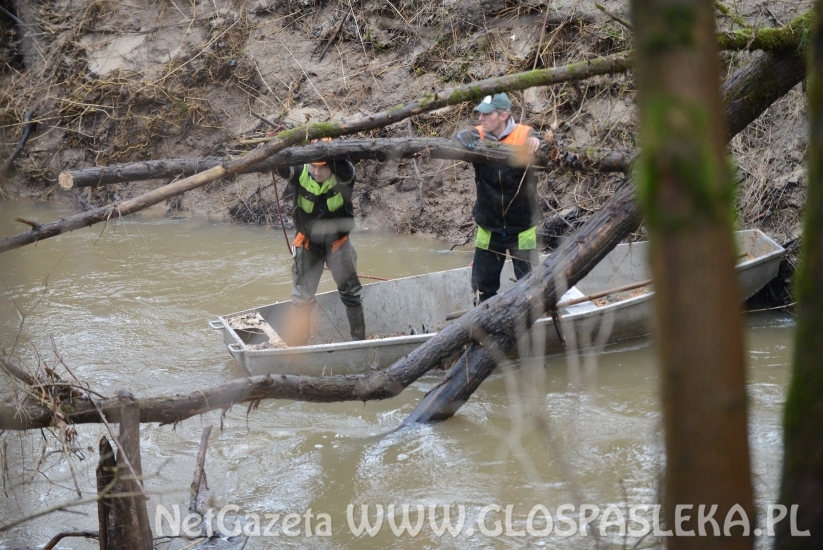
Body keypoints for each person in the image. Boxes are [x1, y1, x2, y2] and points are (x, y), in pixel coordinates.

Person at [455, 92, 544, 304]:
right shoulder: (477, 135)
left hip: (523, 227)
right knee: (483, 287)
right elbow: (449, 145)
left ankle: (529, 325)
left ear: (503, 115)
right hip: (489, 227)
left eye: (486, 114)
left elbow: (545, 146)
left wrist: (537, 142)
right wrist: (459, 138)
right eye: (480, 114)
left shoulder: (525, 134)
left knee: (530, 286)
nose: (481, 118)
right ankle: (486, 323)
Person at [274, 147, 365, 345]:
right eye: (313, 166)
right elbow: (282, 168)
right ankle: (299, 348)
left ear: (332, 165)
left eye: (322, 168)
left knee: (351, 295)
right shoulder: (300, 172)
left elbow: (345, 165)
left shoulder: (345, 175)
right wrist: (272, 150)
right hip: (308, 244)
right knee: (301, 299)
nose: (316, 172)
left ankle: (359, 342)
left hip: (338, 244)